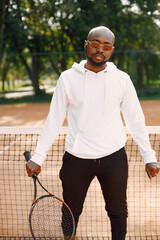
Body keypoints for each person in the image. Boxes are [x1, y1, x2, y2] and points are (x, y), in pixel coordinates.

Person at [26, 26, 160, 240]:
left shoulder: (122, 79)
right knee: (70, 213)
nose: (100, 49)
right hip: (76, 160)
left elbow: (136, 120)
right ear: (86, 45)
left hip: (114, 158)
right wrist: (39, 156)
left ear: (112, 50)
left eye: (106, 46)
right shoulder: (67, 78)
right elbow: (54, 120)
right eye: (95, 44)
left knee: (118, 212)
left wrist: (149, 157)